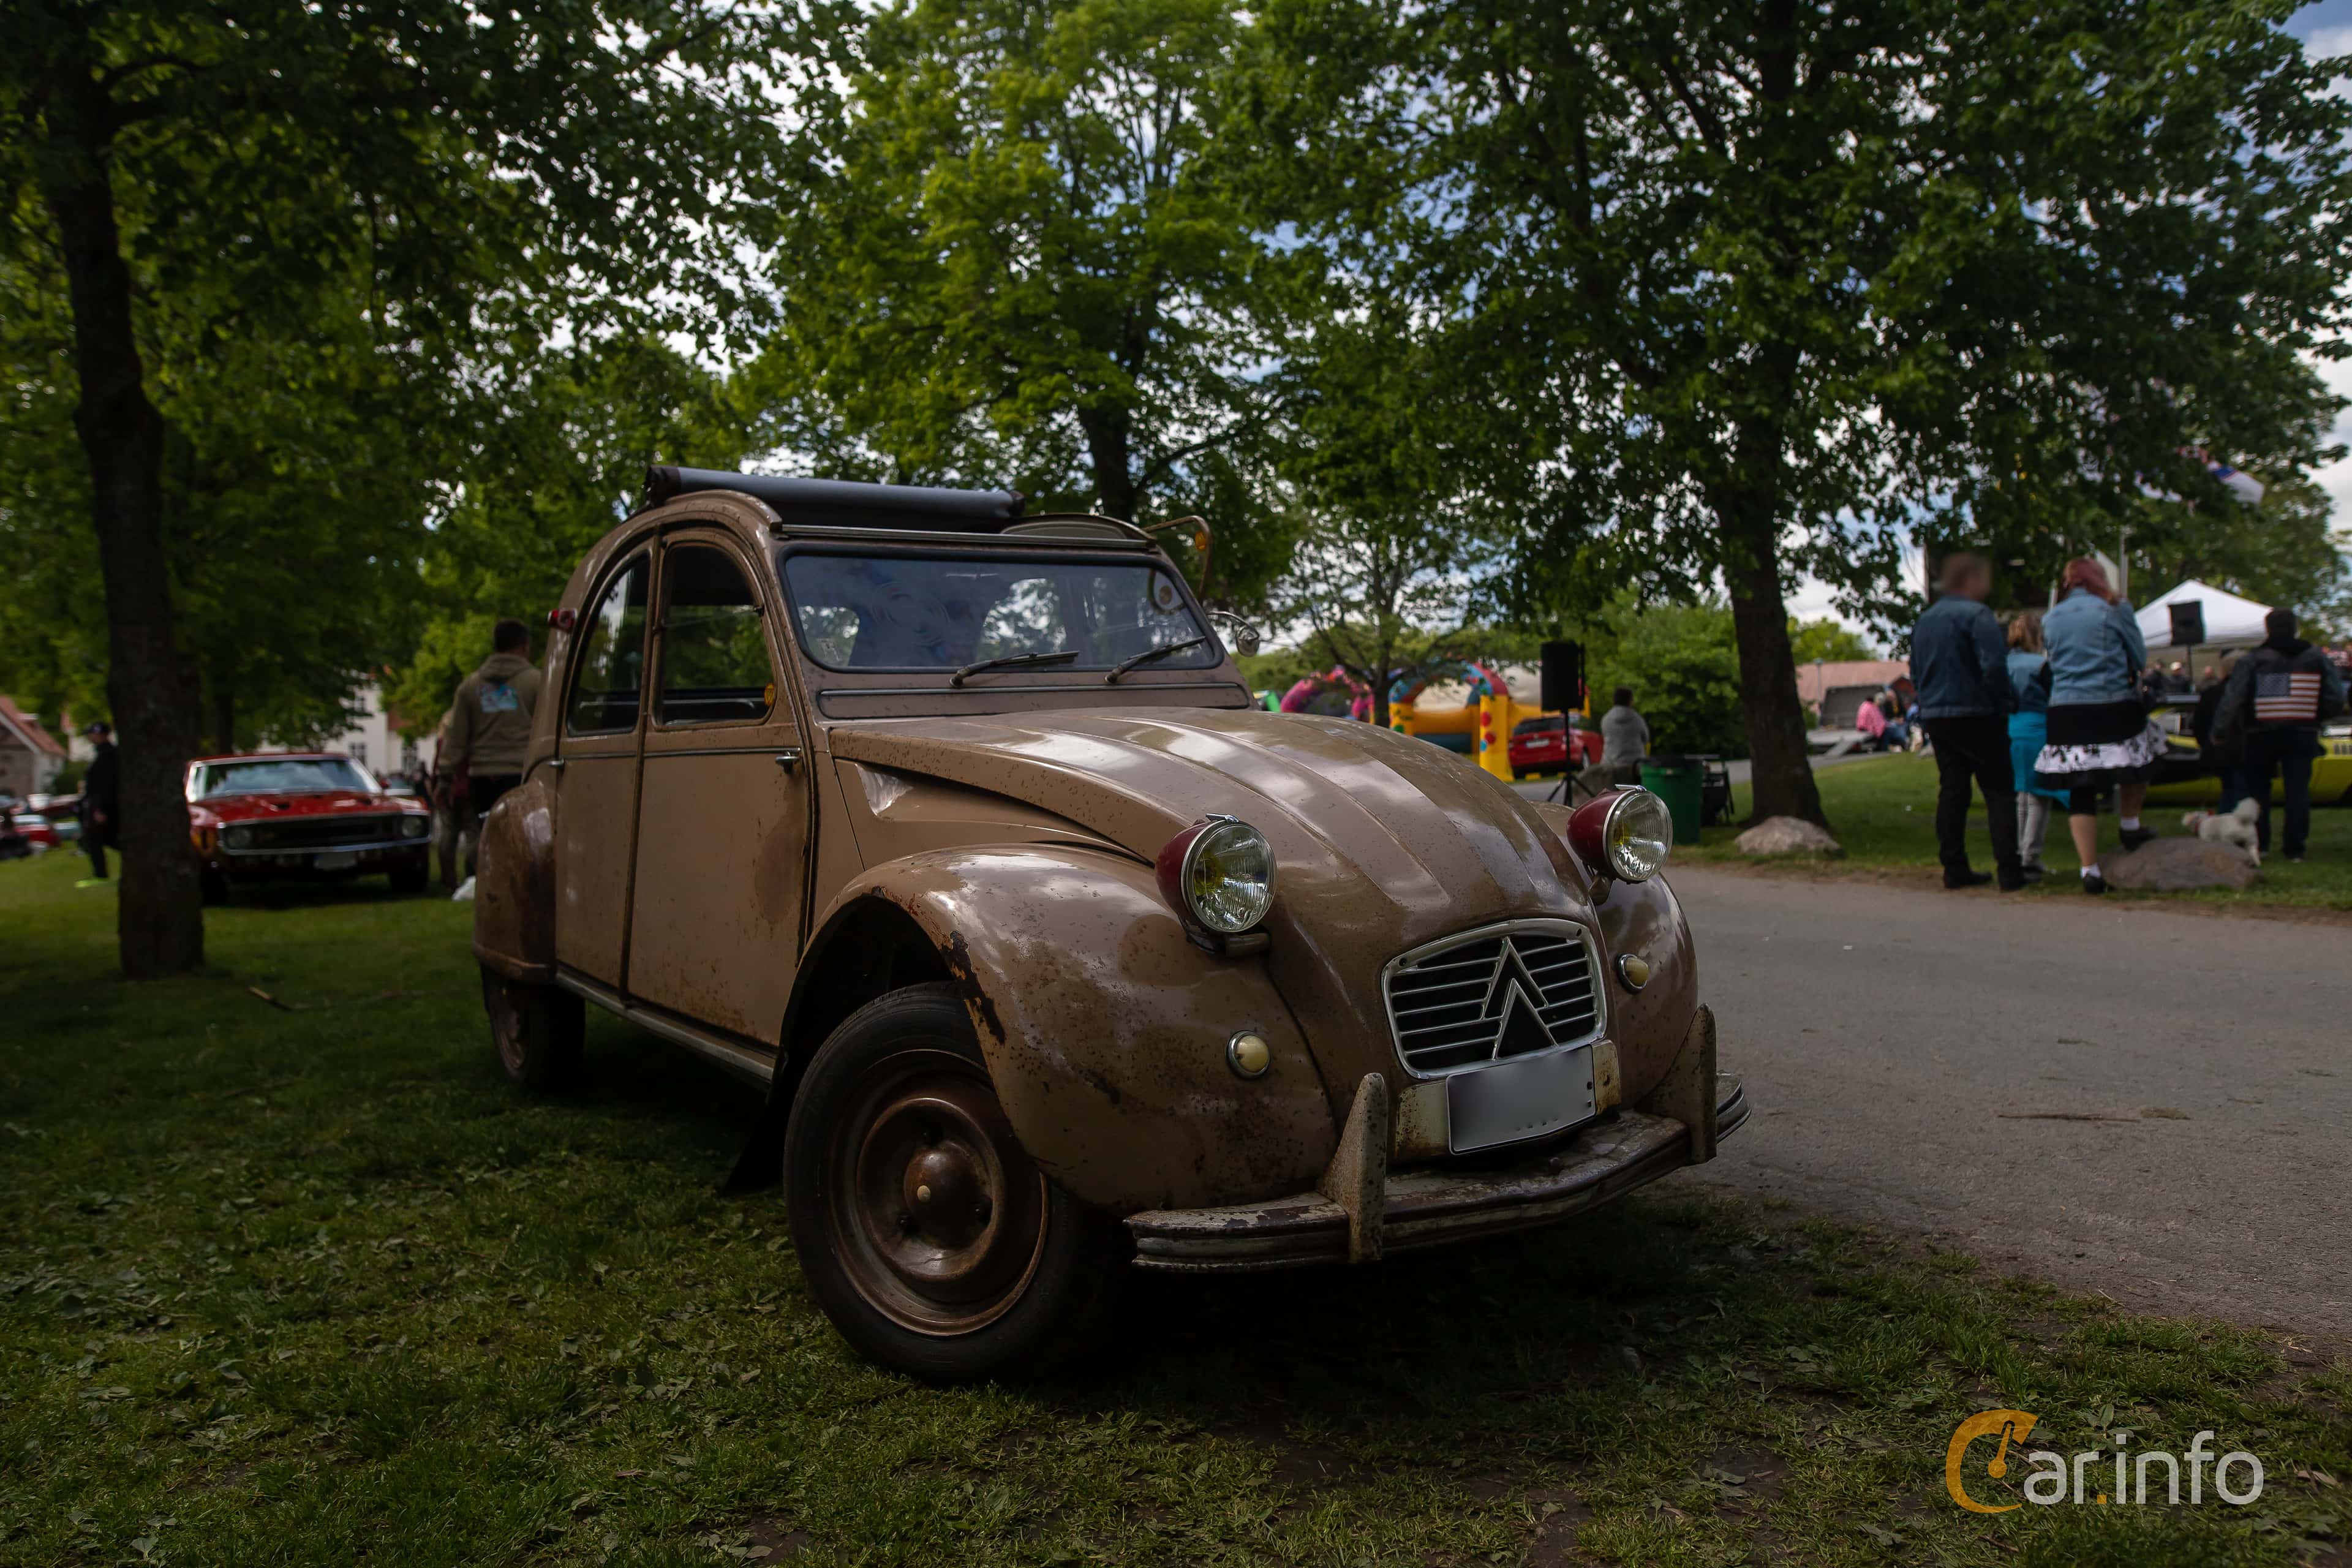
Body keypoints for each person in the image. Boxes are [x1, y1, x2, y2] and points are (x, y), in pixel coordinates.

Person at [2034, 559, 2168, 894]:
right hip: (2111, 702)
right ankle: (2130, 824)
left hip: (2065, 708)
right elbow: (2138, 658)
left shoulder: (2051, 618)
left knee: (2081, 787)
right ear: (2099, 579)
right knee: (2143, 755)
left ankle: (2089, 870)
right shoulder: (2115, 607)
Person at [1909, 554, 2021, 889]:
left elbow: (1915, 671)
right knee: (1999, 791)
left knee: (1953, 791)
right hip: (1978, 712)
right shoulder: (1977, 615)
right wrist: (2003, 703)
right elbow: (1994, 666)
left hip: (1938, 716)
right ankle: (2010, 872)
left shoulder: (1924, 621)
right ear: (1969, 580)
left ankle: (1954, 867)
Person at [2211, 607, 2348, 863]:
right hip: (2302, 731)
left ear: (2268, 629)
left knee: (2258, 791)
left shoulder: (2253, 659)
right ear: (2295, 628)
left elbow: (2233, 699)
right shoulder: (2316, 658)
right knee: (2298, 792)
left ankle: (2260, 844)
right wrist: (2316, 715)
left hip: (2260, 734)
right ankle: (2295, 849)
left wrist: (2220, 731)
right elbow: (2336, 697)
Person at [443, 620, 544, 875]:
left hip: (482, 779)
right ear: (524, 646)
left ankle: (488, 885)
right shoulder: (537, 682)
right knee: (523, 839)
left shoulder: (470, 687)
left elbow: (455, 738)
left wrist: (445, 777)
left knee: (489, 838)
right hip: (520, 775)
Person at [2005, 611, 2064, 883]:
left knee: (2022, 795)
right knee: (2040, 794)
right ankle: (2031, 856)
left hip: (2012, 728)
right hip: (2037, 728)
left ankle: (2019, 851)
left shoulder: (2004, 664)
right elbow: (2054, 697)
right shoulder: (2040, 665)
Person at [77, 721, 119, 883]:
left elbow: (105, 784)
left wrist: (100, 809)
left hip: (104, 806)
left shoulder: (107, 756)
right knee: (97, 838)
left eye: (92, 734)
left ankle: (101, 873)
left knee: (102, 837)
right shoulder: (101, 754)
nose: (90, 737)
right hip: (98, 804)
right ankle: (99, 872)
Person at [1599, 685, 1649, 767]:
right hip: (1634, 766)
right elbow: (1646, 739)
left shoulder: (1606, 719)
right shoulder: (1637, 719)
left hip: (1610, 766)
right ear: (1630, 701)